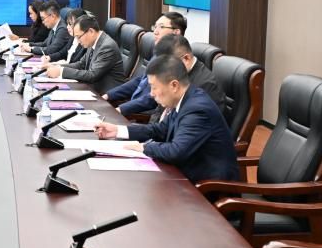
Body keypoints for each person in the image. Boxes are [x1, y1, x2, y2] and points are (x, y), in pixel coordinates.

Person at [94, 54, 238, 184]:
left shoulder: (197, 109)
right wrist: (117, 131)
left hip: (208, 187)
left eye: (154, 87)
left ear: (174, 85)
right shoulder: (185, 98)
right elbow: (160, 129)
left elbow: (176, 151)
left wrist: (143, 147)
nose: (151, 94)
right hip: (183, 175)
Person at [105, 34, 222, 119]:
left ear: (186, 59)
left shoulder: (205, 85)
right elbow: (160, 111)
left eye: (167, 64)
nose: (163, 69)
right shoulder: (175, 75)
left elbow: (189, 133)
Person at [104, 11, 188, 107]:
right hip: (133, 103)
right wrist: (109, 95)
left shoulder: (178, 61)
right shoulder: (158, 51)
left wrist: (122, 109)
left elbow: (154, 97)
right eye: (155, 27)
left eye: (161, 27)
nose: (155, 32)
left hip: (146, 111)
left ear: (176, 32)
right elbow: (141, 80)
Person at [43, 13, 127, 94]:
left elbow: (92, 75)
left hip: (107, 95)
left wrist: (61, 71)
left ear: (91, 31)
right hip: (93, 89)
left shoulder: (107, 47)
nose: (78, 41)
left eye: (78, 37)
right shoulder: (93, 41)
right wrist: (57, 66)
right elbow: (81, 64)